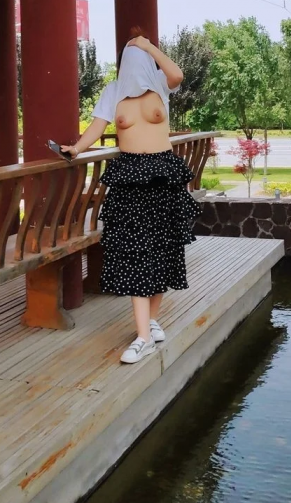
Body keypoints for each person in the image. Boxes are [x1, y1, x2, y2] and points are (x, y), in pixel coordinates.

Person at [62, 32, 200, 364]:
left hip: (163, 174)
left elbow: (178, 75)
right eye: (130, 52)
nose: (135, 58)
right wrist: (76, 149)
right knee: (136, 253)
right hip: (130, 177)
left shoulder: (159, 84)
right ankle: (143, 337)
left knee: (164, 249)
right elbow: (97, 126)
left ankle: (150, 323)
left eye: (140, 54)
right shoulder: (113, 91)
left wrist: (149, 46)